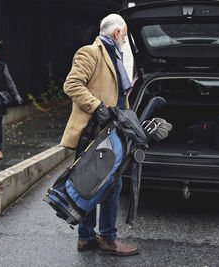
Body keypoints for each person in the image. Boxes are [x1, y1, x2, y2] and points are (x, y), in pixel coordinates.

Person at [60, 14, 139, 256]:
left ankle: (86, 238)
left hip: (110, 131)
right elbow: (72, 84)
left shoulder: (114, 55)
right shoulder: (90, 52)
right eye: (124, 36)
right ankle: (108, 238)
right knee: (109, 184)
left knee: (95, 183)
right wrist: (99, 107)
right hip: (93, 131)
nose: (125, 41)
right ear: (116, 33)